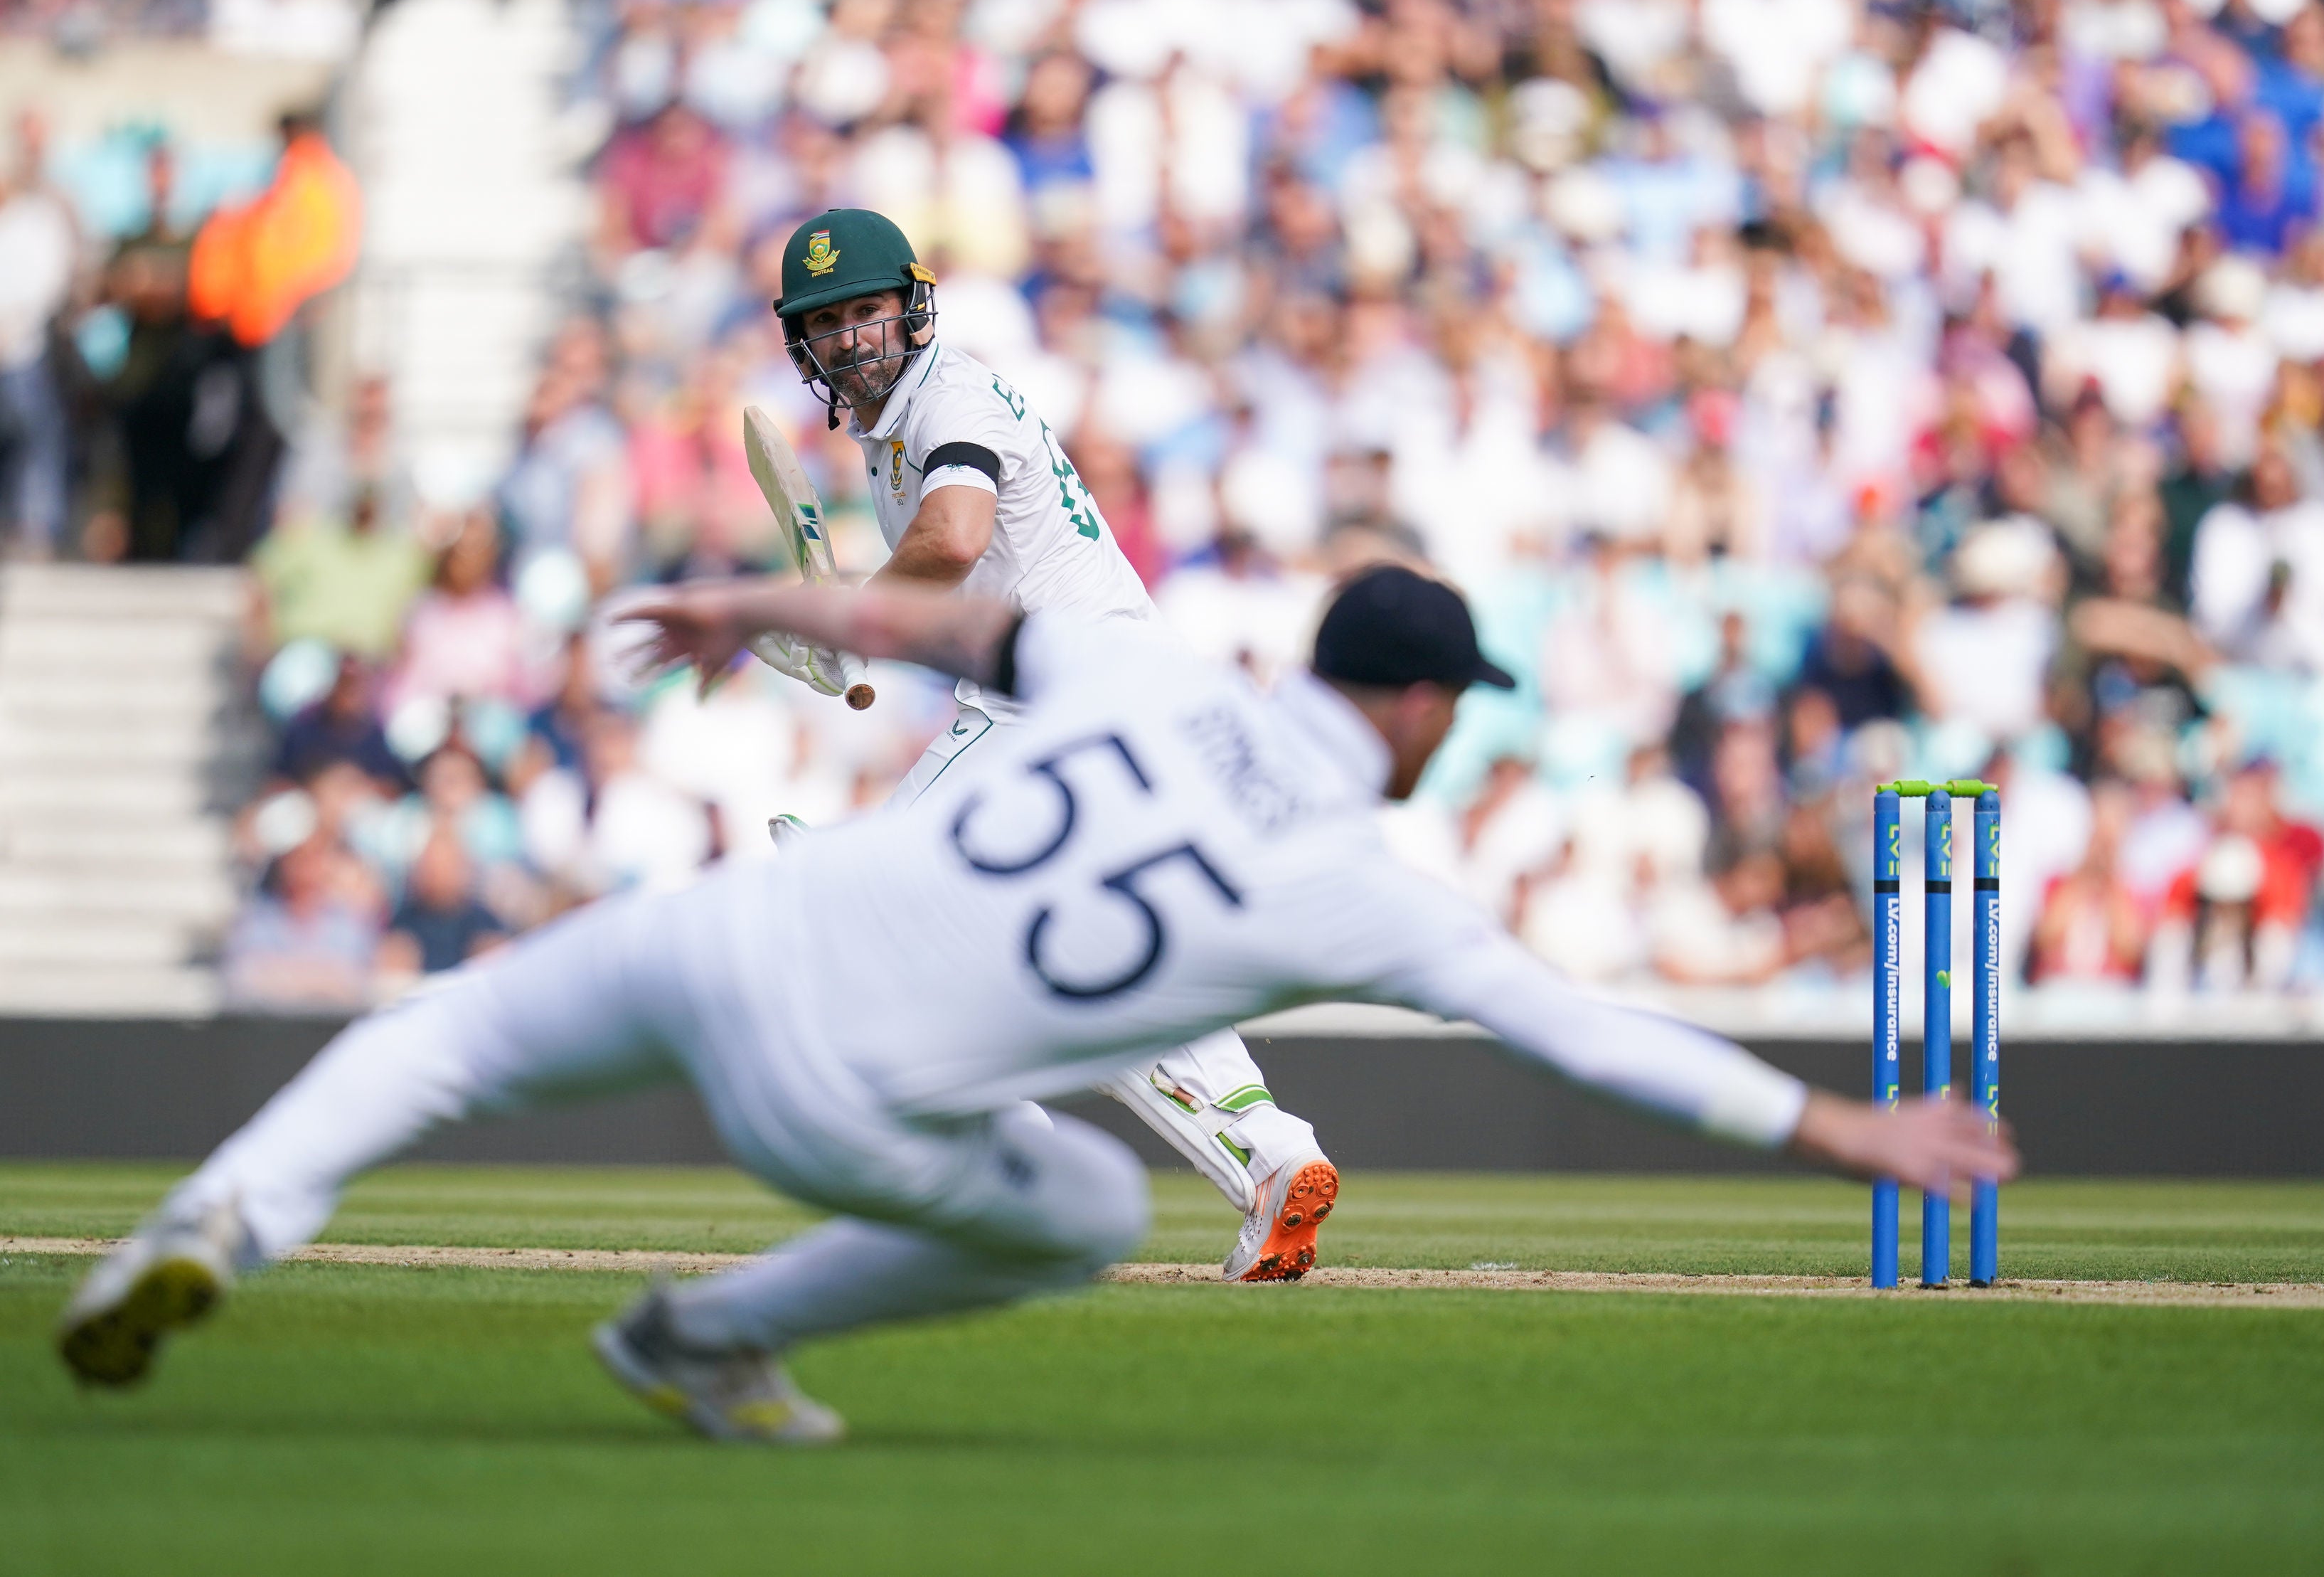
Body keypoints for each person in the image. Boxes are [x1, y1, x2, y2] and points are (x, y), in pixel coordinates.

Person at [60, 568, 2017, 1443]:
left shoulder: (1145, 670)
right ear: (1416, 705)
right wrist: (1841, 1127)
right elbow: (1584, 1031)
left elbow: (921, 620)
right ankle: (700, 1338)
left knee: (440, 1039)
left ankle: (216, 1220)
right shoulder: (1352, 881)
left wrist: (748, 605)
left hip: (741, 925)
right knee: (1089, 1206)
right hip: (842, 1094)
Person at [753, 206, 1338, 1281]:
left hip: (1065, 704)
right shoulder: (893, 435)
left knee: (854, 907)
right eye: (824, 322)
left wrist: (847, 629)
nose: (849, 339)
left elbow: (957, 535)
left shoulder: (955, 395)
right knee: (1104, 961)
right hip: (1130, 703)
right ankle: (1272, 1156)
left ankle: (1025, 1176)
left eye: (867, 312)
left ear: (915, 306)